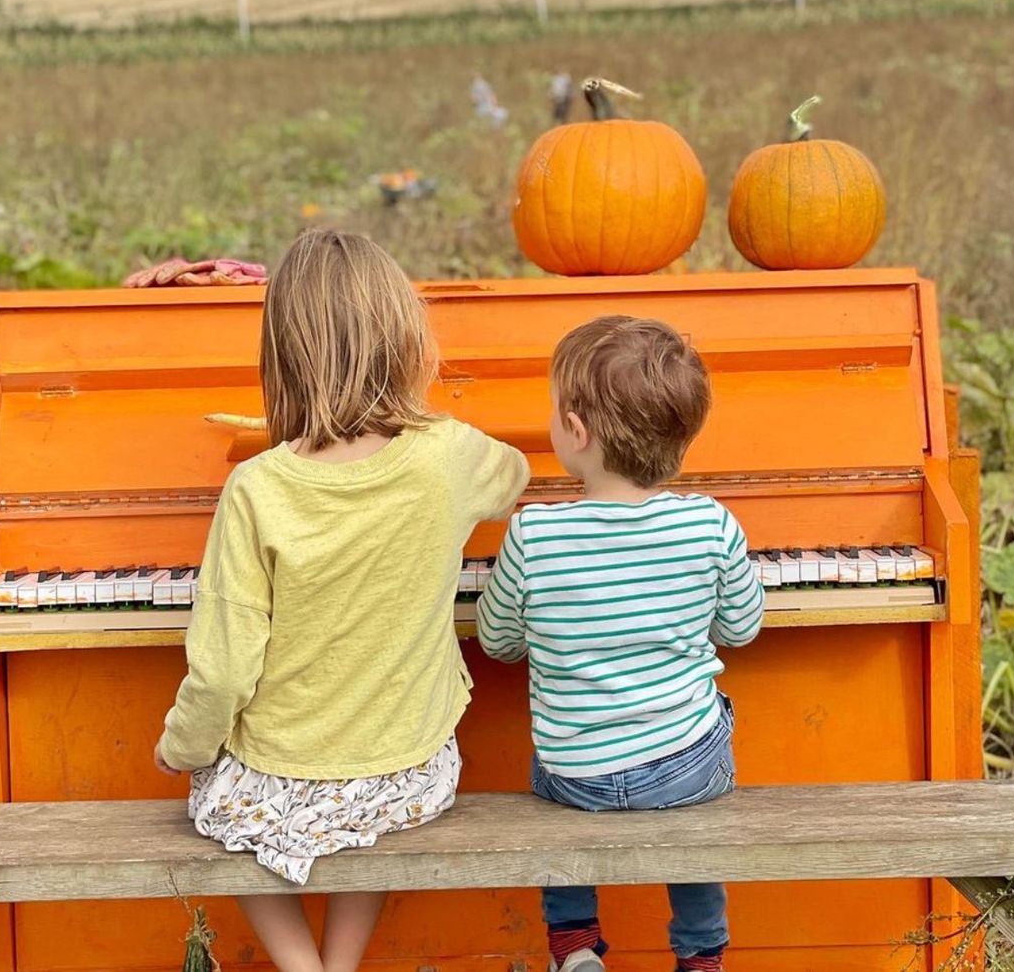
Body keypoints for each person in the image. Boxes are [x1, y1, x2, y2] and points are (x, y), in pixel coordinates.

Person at [155, 228, 530, 972]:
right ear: (404, 340)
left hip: (283, 779)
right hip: (409, 776)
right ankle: (340, 962)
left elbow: (224, 671)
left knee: (221, 803)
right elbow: (514, 473)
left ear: (282, 356)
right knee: (369, 815)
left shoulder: (257, 486)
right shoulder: (448, 455)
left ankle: (304, 967)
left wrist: (180, 749)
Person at [476, 315, 763, 972]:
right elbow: (743, 627)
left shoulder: (533, 534)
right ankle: (701, 954)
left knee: (551, 765)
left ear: (574, 432)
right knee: (699, 765)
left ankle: (574, 942)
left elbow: (497, 641)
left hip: (577, 773)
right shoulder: (710, 522)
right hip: (688, 764)